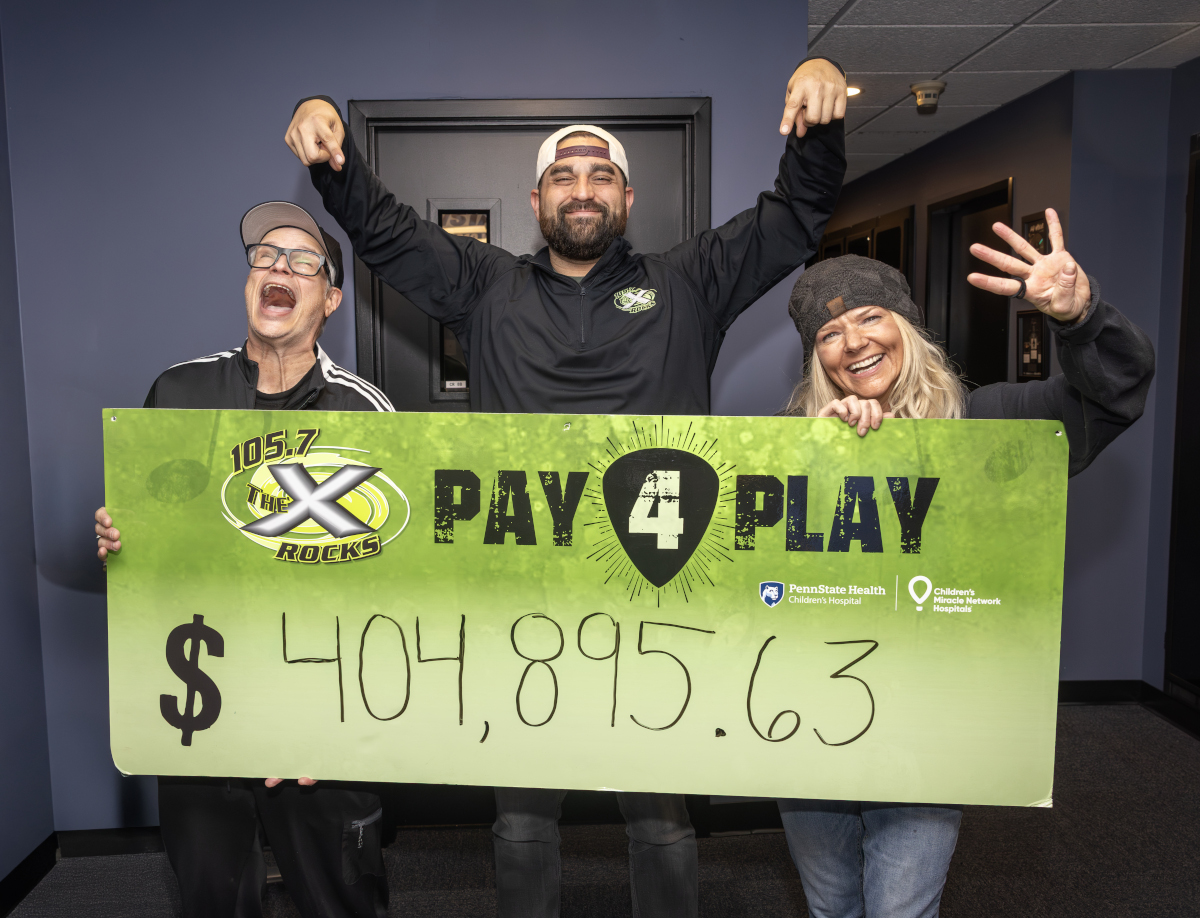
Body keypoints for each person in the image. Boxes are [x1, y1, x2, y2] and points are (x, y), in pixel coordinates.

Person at [283, 56, 848, 918]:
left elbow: (794, 217)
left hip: (658, 589)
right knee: (522, 817)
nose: (582, 188)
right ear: (539, 198)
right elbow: (387, 231)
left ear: (625, 200)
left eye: (601, 175)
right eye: (563, 175)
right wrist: (331, 152)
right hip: (524, 594)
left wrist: (821, 109)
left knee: (659, 817)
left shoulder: (687, 281)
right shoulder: (485, 286)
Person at [777, 208, 1154, 918]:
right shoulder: (792, 445)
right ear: (815, 359)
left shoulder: (994, 429)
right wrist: (817, 462)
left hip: (929, 730)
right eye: (828, 334)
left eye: (869, 318)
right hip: (812, 725)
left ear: (908, 328)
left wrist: (1080, 319)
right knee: (831, 909)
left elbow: (1112, 398)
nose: (852, 343)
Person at [95, 201, 394, 918]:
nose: (278, 267)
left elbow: (393, 586)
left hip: (321, 717)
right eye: (265, 255)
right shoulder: (176, 394)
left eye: (302, 260)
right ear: (248, 282)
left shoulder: (368, 415)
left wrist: (334, 725)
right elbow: (152, 555)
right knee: (211, 899)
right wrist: (119, 543)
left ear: (331, 298)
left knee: (340, 902)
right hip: (201, 701)